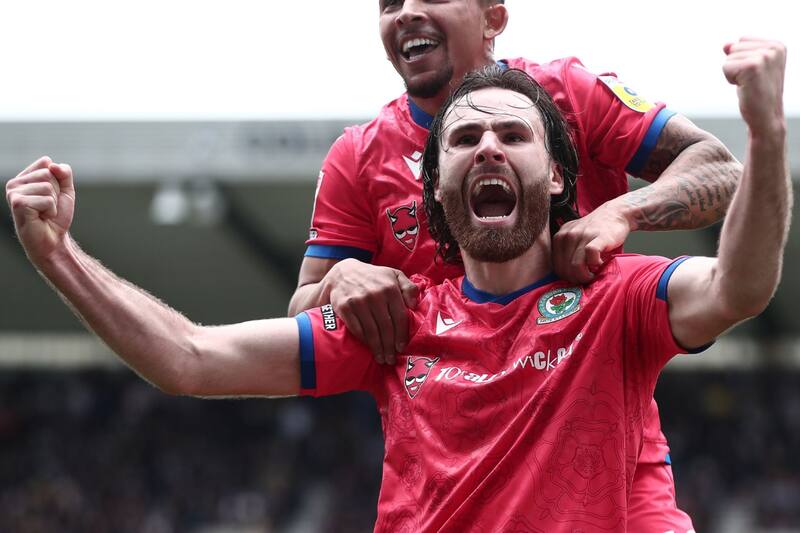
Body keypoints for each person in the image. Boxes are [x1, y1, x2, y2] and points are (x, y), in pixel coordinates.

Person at [5, 38, 789, 532]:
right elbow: (190, 357)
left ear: (556, 176)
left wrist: (763, 132)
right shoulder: (397, 320)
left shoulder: (616, 297)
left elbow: (739, 285)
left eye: (513, 135)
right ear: (433, 187)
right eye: (465, 138)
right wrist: (58, 257)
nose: (488, 146)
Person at [289, 2, 742, 529]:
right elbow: (301, 302)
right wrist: (340, 278)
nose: (408, 12)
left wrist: (621, 212)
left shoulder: (568, 92)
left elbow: (720, 168)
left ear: (493, 19)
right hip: (453, 483)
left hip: (605, 471)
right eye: (390, 3)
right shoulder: (359, 156)